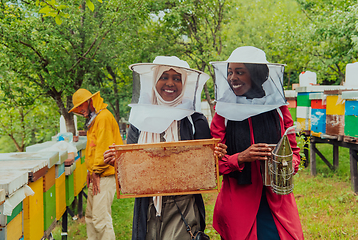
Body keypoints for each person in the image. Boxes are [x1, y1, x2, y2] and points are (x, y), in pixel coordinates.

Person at [104, 56, 226, 240]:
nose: (170, 83)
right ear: (154, 80)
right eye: (164, 77)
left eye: (177, 78)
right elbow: (131, 169)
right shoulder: (139, 120)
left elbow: (208, 170)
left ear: (184, 83)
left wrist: (215, 157)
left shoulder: (194, 120)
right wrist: (118, 162)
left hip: (183, 206)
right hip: (147, 206)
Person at [209, 46, 304, 240]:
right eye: (229, 72)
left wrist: (283, 162)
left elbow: (294, 154)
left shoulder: (278, 109)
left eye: (239, 72)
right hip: (238, 202)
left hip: (277, 201)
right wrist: (241, 157)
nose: (232, 78)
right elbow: (211, 163)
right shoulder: (223, 112)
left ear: (256, 74)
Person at [69, 89, 123, 240]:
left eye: (81, 106)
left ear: (90, 101)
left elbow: (105, 149)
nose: (80, 110)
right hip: (97, 174)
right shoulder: (95, 119)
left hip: (104, 175)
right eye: (77, 108)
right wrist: (90, 171)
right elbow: (93, 148)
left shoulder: (103, 117)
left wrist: (96, 171)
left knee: (100, 219)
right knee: (91, 217)